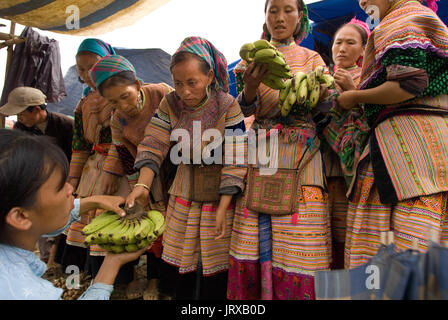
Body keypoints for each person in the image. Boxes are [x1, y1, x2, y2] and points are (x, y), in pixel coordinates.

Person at [321, 0, 448, 269]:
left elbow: (409, 82)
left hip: (408, 151)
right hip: (426, 150)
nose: (363, 2)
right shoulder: (413, 17)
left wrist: (354, 96)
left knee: (402, 252)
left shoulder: (398, 21)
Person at [124, 36, 247, 300]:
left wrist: (225, 206)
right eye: (178, 83)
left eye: (192, 83)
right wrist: (142, 186)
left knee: (214, 260)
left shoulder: (228, 105)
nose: (185, 91)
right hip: (183, 191)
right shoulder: (170, 103)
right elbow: (153, 142)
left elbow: (237, 156)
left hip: (218, 195)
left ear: (210, 76)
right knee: (182, 254)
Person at [228, 0, 331, 300]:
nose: (280, 17)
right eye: (273, 10)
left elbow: (328, 108)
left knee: (299, 234)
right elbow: (242, 111)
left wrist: (322, 94)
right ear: (265, 16)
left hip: (304, 153)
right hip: (261, 150)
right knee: (255, 229)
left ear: (301, 17)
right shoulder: (250, 59)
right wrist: (249, 88)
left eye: (288, 10)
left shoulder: (312, 59)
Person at [0, 129, 148, 300]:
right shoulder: (26, 292)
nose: (71, 189)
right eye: (60, 186)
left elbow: (41, 220)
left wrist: (94, 201)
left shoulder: (10, 235)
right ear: (20, 217)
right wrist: (111, 264)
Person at [89, 54, 174, 299]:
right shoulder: (118, 120)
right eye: (114, 102)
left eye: (125, 96)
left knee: (181, 227)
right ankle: (155, 281)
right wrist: (138, 186)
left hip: (180, 169)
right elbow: (125, 155)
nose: (123, 106)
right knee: (156, 229)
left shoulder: (162, 93)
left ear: (136, 85)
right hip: (150, 177)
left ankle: (177, 281)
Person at [62, 39, 133, 291]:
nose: (87, 74)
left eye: (93, 67)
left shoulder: (123, 93)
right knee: (84, 226)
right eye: (81, 69)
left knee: (112, 224)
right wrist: (72, 178)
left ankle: (116, 286)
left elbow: (124, 137)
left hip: (119, 169)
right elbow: (80, 145)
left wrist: (113, 170)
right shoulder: (83, 104)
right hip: (92, 170)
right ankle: (86, 284)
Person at [0, 86, 74, 271]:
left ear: (37, 109)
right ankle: (46, 259)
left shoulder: (65, 125)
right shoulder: (20, 129)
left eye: (21, 113)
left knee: (66, 220)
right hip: (36, 184)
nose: (19, 118)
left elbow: (77, 155)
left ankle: (59, 261)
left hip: (66, 181)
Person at [326, 18, 370, 269]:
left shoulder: (370, 80)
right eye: (338, 42)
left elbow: (372, 121)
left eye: (350, 43)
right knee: (324, 238)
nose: (342, 48)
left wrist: (352, 91)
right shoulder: (318, 80)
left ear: (364, 50)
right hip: (323, 171)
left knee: (348, 238)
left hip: (355, 176)